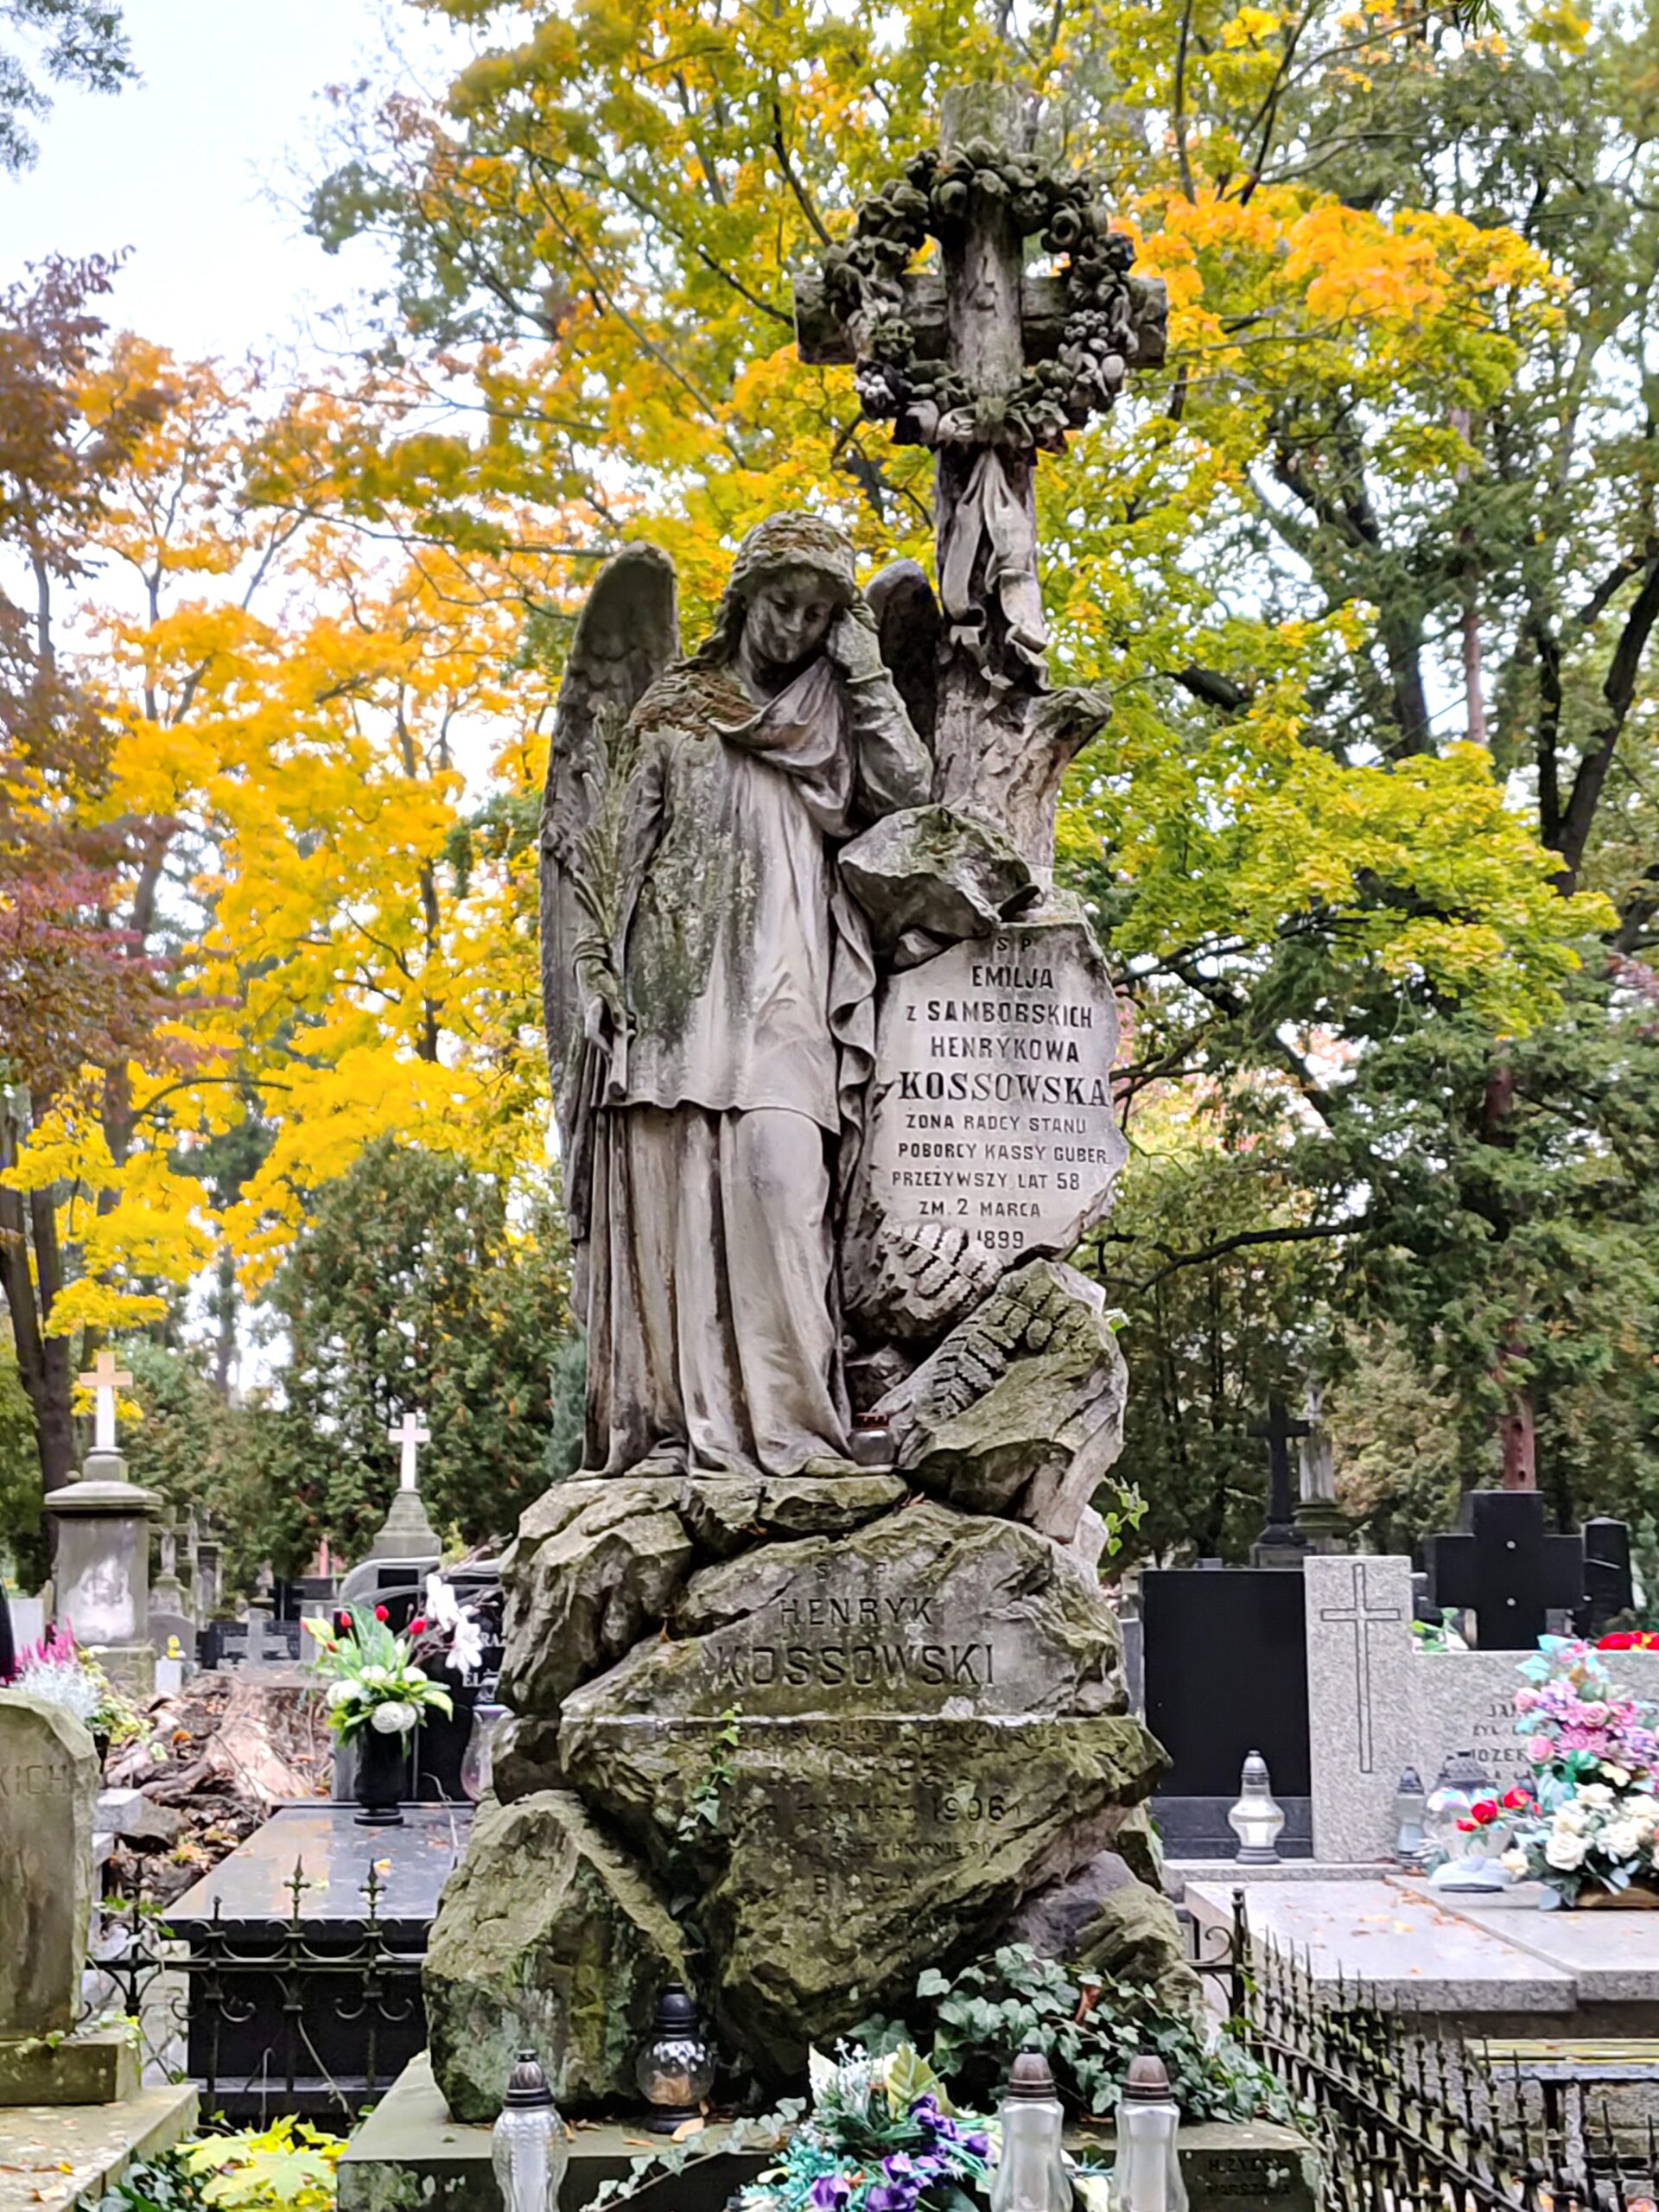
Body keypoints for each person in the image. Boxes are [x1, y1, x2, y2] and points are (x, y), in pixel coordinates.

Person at [572, 512, 931, 1477]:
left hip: (788, 982)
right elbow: (613, 853)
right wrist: (595, 966)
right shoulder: (674, 709)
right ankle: (678, 1431)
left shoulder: (836, 708)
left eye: (818, 613)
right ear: (744, 600)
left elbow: (912, 796)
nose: (796, 627)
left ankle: (798, 1432)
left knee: (782, 1183)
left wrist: (866, 672)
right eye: (783, 604)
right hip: (673, 991)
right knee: (676, 1209)